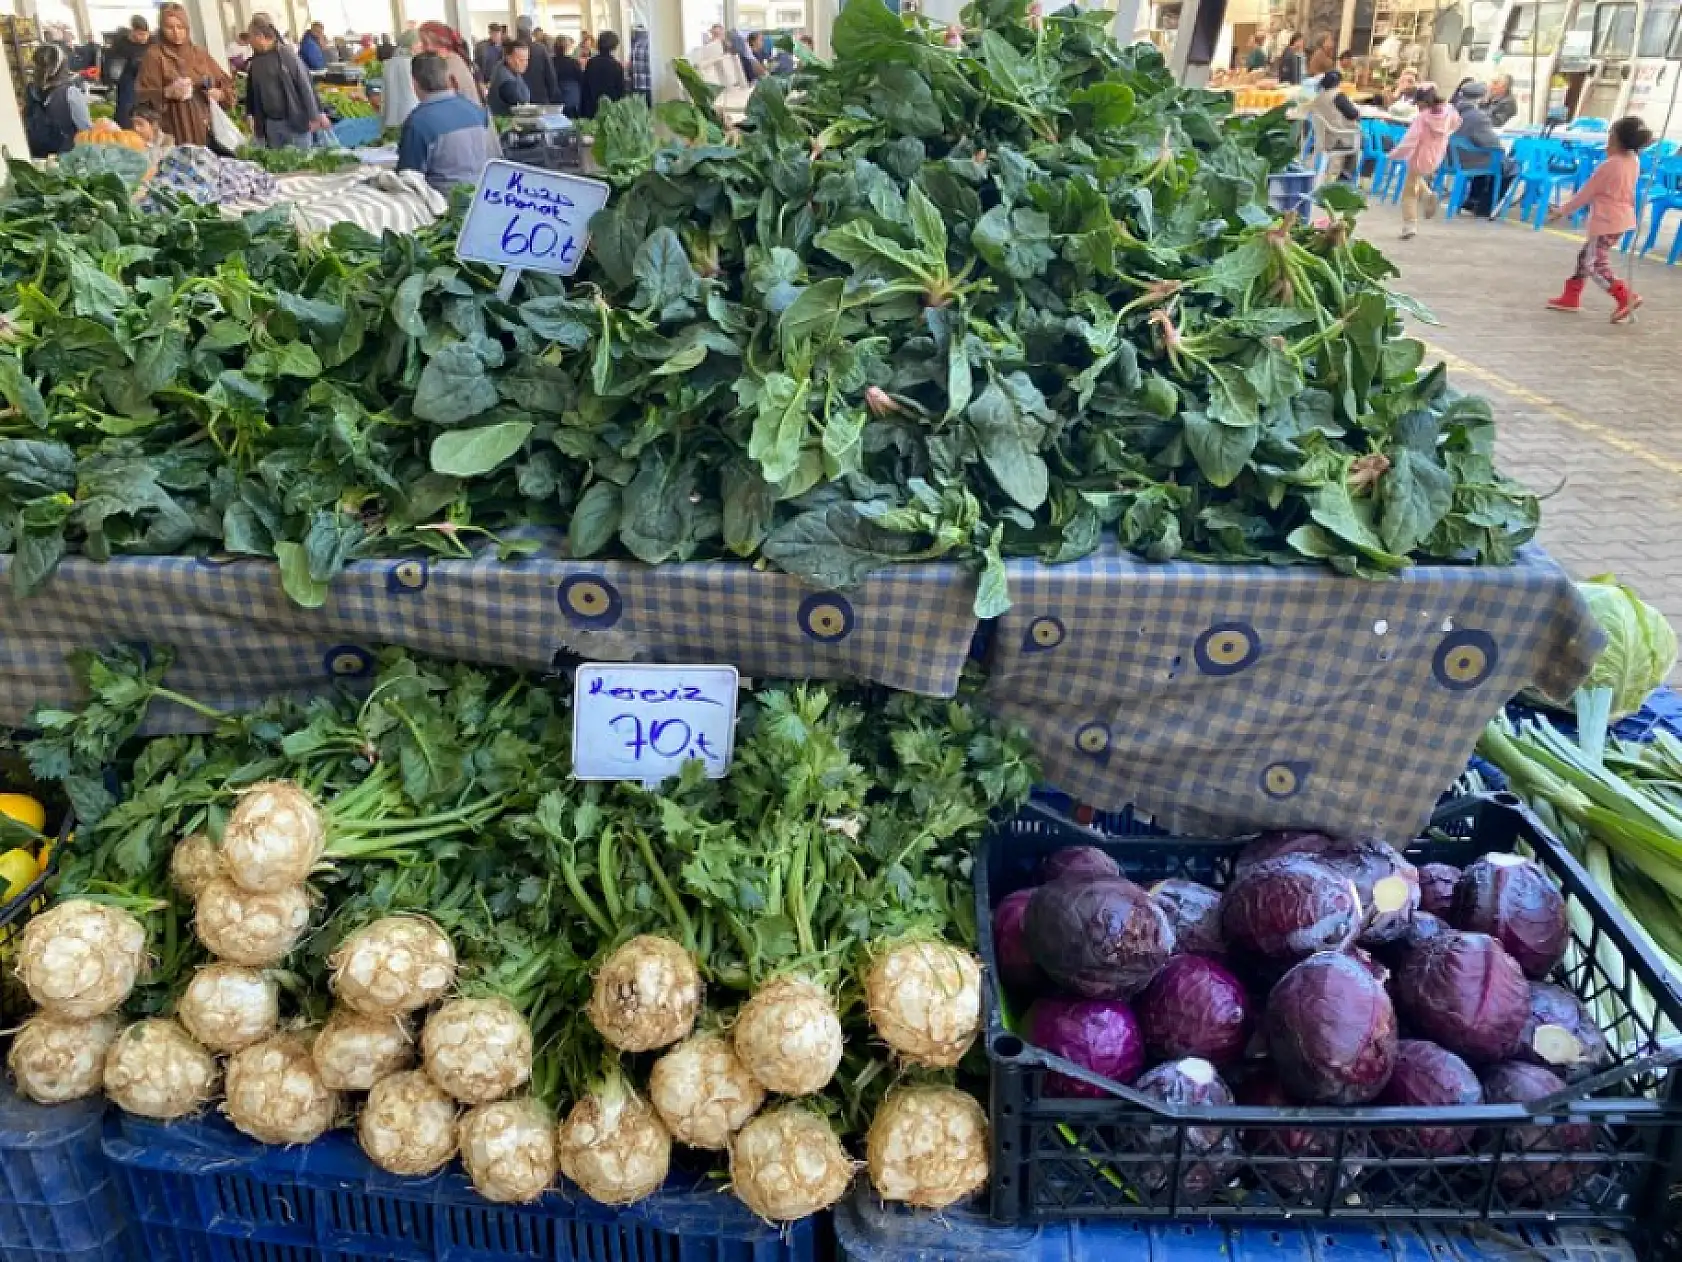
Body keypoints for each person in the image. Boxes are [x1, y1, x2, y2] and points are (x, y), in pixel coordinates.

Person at [1546, 115, 1651, 322]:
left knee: (1594, 264)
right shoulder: (1633, 160)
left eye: (1611, 134)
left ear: (1616, 138)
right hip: (1620, 219)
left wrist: (1562, 210)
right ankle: (1571, 297)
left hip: (1606, 221)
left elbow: (1586, 193)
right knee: (1586, 256)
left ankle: (1625, 296)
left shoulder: (1610, 165)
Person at [397, 49, 499, 193]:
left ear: (414, 83)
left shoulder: (418, 122)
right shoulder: (478, 111)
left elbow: (408, 179)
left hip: (443, 201)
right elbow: (495, 159)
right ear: (448, 78)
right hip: (483, 196)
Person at [137, 2, 232, 150]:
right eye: (170, 27)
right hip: (173, 131)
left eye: (180, 27)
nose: (176, 32)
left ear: (187, 27)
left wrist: (220, 94)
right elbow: (142, 95)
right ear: (162, 28)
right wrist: (167, 92)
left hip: (205, 128)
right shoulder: (154, 56)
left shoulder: (199, 54)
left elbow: (226, 84)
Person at [244, 16, 327, 148]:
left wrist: (314, 116)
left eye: (251, 37)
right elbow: (251, 90)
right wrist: (250, 114)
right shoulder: (256, 62)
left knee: (302, 159)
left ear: (260, 36)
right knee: (278, 159)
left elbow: (305, 85)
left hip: (294, 122)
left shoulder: (287, 55)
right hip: (272, 125)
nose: (249, 42)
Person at [1390, 84, 1458, 238]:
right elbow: (1455, 124)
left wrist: (1395, 154)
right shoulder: (1449, 111)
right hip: (1437, 154)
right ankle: (1428, 195)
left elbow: (1410, 140)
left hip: (1419, 155)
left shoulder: (1422, 118)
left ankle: (1410, 225)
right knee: (1415, 179)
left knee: (1409, 192)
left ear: (1422, 102)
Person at [1451, 81, 1517, 216]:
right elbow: (1493, 144)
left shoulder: (1452, 111)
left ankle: (1472, 200)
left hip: (1451, 158)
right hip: (1469, 161)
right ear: (1481, 97)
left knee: (1485, 155)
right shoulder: (1478, 116)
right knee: (1508, 165)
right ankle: (1486, 207)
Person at [24, 44, 92, 157]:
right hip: (66, 156)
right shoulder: (70, 92)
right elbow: (86, 130)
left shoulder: (31, 89)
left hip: (36, 153)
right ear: (62, 66)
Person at [1308, 70, 1362, 183]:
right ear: (1338, 83)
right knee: (1367, 141)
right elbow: (1353, 114)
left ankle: (1344, 174)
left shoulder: (1317, 98)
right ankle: (1349, 175)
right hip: (1338, 138)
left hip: (1323, 138)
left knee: (1357, 138)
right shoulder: (1338, 96)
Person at [418, 21, 485, 105]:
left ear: (437, 42)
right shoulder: (454, 58)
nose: (421, 47)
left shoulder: (446, 63)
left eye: (424, 42)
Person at [112, 16, 150, 128]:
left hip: (147, 83)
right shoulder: (122, 45)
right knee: (126, 110)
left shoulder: (151, 43)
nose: (144, 38)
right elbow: (115, 72)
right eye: (141, 34)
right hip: (128, 84)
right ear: (133, 31)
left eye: (146, 34)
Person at [581, 29, 625, 117]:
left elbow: (586, 85)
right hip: (611, 108)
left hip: (592, 106)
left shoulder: (591, 63)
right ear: (614, 47)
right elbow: (620, 91)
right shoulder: (616, 65)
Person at [515, 16, 559, 104]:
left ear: (517, 29)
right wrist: (552, 96)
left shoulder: (510, 50)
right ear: (531, 29)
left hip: (518, 100)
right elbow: (551, 76)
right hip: (540, 98)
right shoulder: (540, 49)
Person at [383, 29, 420, 128]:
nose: (422, 46)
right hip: (411, 113)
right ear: (412, 44)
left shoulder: (389, 63)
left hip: (391, 115)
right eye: (420, 43)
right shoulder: (413, 63)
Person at [488, 38, 532, 115]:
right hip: (505, 121)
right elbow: (523, 105)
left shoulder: (510, 69)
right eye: (521, 60)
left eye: (526, 59)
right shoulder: (507, 82)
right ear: (509, 58)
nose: (525, 63)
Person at [554, 34, 583, 114]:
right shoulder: (573, 63)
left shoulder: (551, 62)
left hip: (555, 98)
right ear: (567, 48)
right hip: (572, 98)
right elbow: (581, 79)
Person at [629, 25, 651, 101]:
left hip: (637, 86)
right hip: (650, 86)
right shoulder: (650, 45)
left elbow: (631, 70)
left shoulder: (634, 47)